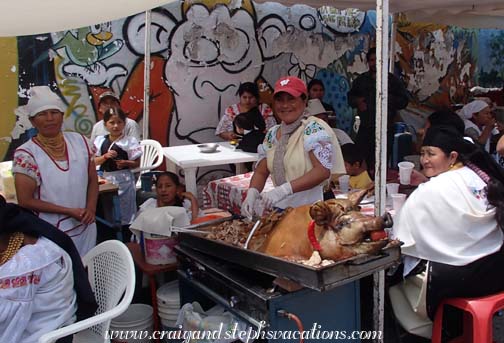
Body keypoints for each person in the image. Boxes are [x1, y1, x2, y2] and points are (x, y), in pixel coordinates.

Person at [389, 125, 504, 339]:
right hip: (494, 268)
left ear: (452, 156)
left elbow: (401, 237)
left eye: (431, 154)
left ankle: (424, 333)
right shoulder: (475, 175)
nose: (424, 160)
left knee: (391, 276)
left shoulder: (433, 189)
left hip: (464, 280)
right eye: (422, 153)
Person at [241, 76, 345, 217]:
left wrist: (283, 190)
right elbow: (261, 171)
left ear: (304, 101)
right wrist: (252, 192)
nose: (285, 105)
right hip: (283, 208)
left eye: (291, 99)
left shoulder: (314, 128)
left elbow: (322, 171)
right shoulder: (273, 133)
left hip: (315, 208)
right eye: (280, 100)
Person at [13, 86, 98, 256]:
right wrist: (68, 211)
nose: (50, 118)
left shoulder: (81, 142)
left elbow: (92, 180)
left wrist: (90, 208)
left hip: (85, 227)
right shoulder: (27, 154)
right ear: (32, 121)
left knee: (87, 273)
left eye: (54, 112)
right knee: (61, 279)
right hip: (50, 233)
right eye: (42, 114)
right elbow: (25, 200)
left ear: (62, 115)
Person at [0, 195, 97, 343]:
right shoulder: (24, 236)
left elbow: (6, 323)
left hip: (49, 335)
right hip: (43, 325)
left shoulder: (27, 264)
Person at [348, 47, 409, 170]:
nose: (374, 63)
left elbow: (404, 101)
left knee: (381, 164)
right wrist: (358, 101)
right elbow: (350, 98)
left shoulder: (392, 81)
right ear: (368, 62)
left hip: (385, 129)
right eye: (371, 60)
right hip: (365, 128)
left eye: (377, 60)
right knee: (361, 161)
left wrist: (388, 100)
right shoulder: (361, 80)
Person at [94, 108, 142, 226]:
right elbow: (94, 161)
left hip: (124, 178)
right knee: (109, 207)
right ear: (105, 124)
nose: (115, 126)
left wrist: (126, 163)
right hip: (106, 178)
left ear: (124, 124)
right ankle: (112, 231)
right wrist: (105, 157)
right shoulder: (100, 141)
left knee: (126, 209)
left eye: (119, 122)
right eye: (112, 122)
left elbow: (137, 163)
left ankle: (127, 231)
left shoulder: (130, 141)